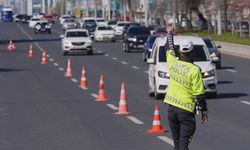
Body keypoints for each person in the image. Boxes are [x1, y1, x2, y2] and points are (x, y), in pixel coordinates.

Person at [163, 25, 208, 150]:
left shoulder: (173, 63)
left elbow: (169, 47)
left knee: (177, 142)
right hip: (186, 112)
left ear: (180, 51)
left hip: (171, 109)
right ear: (192, 51)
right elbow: (199, 94)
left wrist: (170, 33)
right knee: (183, 143)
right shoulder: (194, 71)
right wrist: (204, 111)